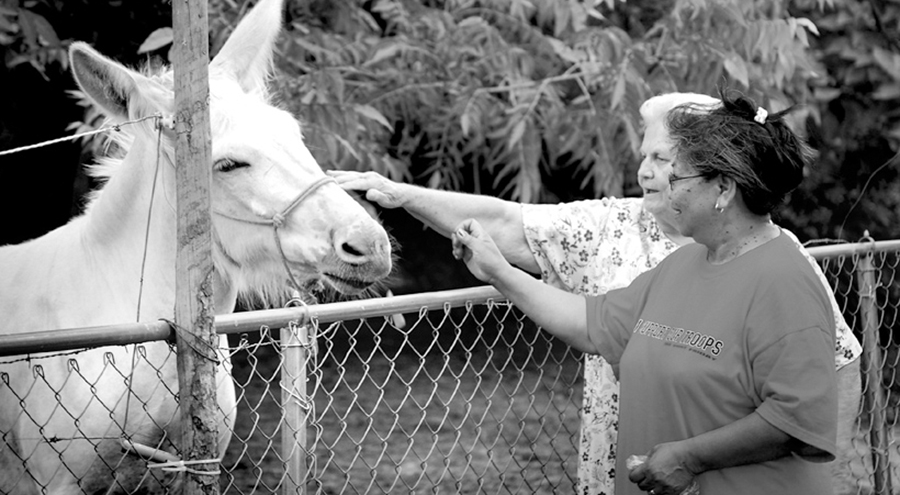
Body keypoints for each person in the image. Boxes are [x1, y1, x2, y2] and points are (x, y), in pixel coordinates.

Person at [328, 92, 862, 494]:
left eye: (673, 172)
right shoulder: (686, 264)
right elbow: (593, 323)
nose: (654, 180)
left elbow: (799, 418)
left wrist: (688, 457)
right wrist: (499, 272)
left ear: (723, 189)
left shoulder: (780, 276)